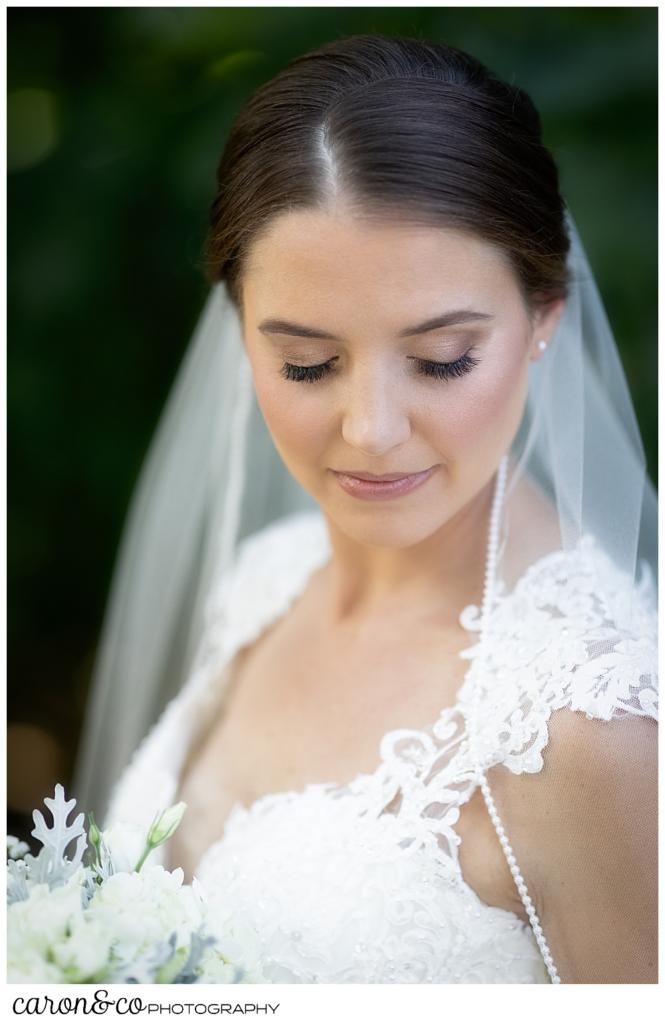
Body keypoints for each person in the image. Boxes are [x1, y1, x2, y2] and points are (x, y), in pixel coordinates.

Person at [71, 34, 657, 984]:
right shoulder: (267, 575)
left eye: (441, 360)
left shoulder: (592, 731)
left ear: (544, 314)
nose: (372, 430)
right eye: (306, 364)